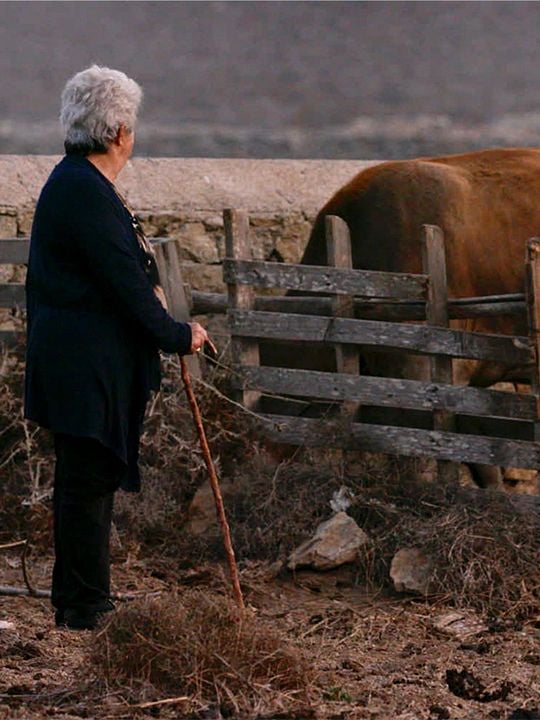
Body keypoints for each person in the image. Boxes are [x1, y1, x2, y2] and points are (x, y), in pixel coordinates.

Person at [24, 65, 208, 630]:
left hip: (80, 360)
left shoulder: (78, 184)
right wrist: (178, 335)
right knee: (86, 479)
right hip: (84, 364)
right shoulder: (84, 191)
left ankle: (82, 599)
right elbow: (126, 284)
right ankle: (84, 605)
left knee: (89, 476)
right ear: (120, 130)